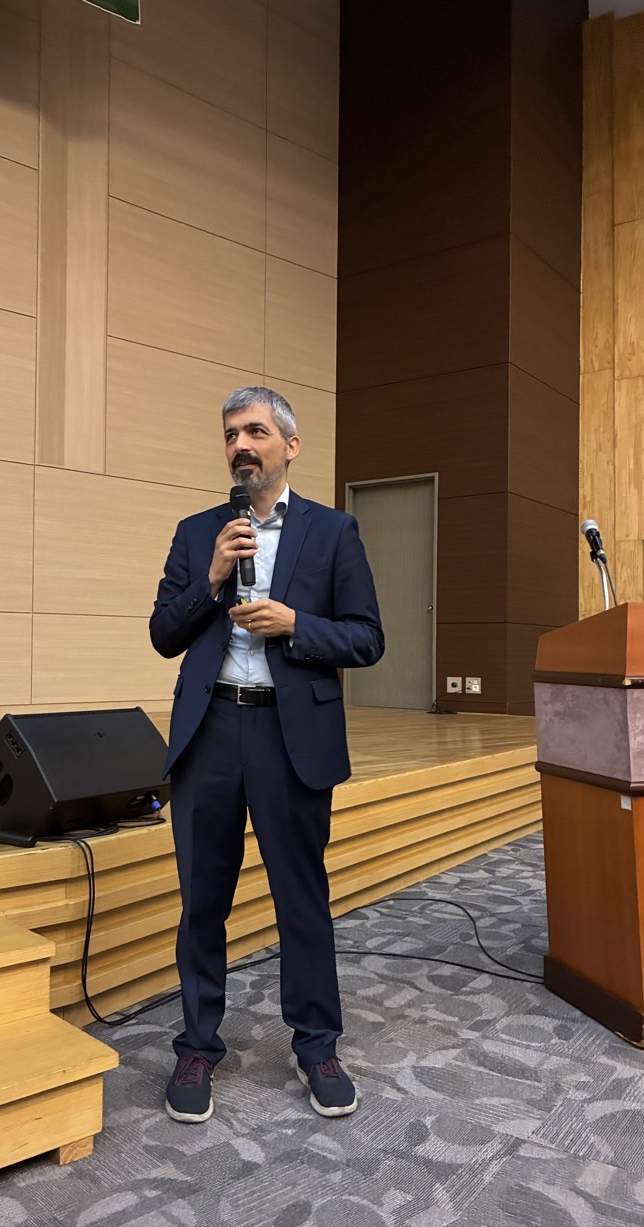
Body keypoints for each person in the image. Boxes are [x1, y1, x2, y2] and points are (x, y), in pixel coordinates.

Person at [149, 386, 384, 1122]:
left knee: (301, 899)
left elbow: (367, 638)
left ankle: (317, 1046)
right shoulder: (198, 533)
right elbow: (163, 634)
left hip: (291, 736)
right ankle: (197, 1045)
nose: (241, 445)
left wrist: (295, 624)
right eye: (230, 435)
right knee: (202, 903)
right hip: (211, 732)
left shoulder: (334, 531)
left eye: (254, 431)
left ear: (290, 446)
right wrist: (212, 579)